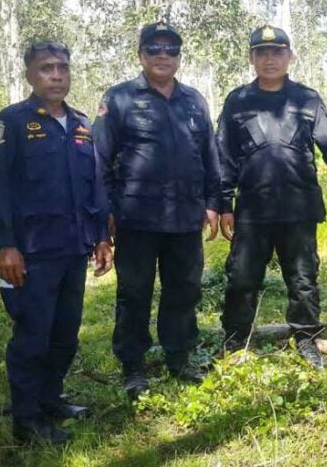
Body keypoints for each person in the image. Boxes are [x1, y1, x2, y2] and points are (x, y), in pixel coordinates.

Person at [216, 26, 327, 370]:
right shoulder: (237, 101)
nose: (270, 59)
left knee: (302, 280)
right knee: (242, 279)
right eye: (262, 52)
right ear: (252, 58)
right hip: (252, 211)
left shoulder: (307, 99)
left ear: (290, 56)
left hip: (298, 208)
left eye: (277, 52)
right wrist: (224, 204)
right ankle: (235, 341)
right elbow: (223, 156)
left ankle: (306, 339)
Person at [0, 41, 113, 444]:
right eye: (46, 68)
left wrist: (102, 237)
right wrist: (6, 245)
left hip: (73, 248)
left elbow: (94, 186)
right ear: (29, 75)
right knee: (32, 336)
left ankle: (50, 399)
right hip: (31, 252)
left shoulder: (80, 124)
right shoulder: (13, 122)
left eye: (62, 68)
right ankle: (26, 420)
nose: (56, 75)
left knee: (65, 333)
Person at [93, 22, 221, 398]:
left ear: (179, 57)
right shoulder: (119, 99)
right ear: (141, 55)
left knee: (184, 288)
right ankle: (133, 365)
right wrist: (106, 213)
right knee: (135, 292)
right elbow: (99, 161)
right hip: (137, 217)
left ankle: (179, 356)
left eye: (171, 49)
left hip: (185, 217)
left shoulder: (194, 100)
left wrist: (214, 202)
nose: (163, 56)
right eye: (154, 49)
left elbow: (209, 157)